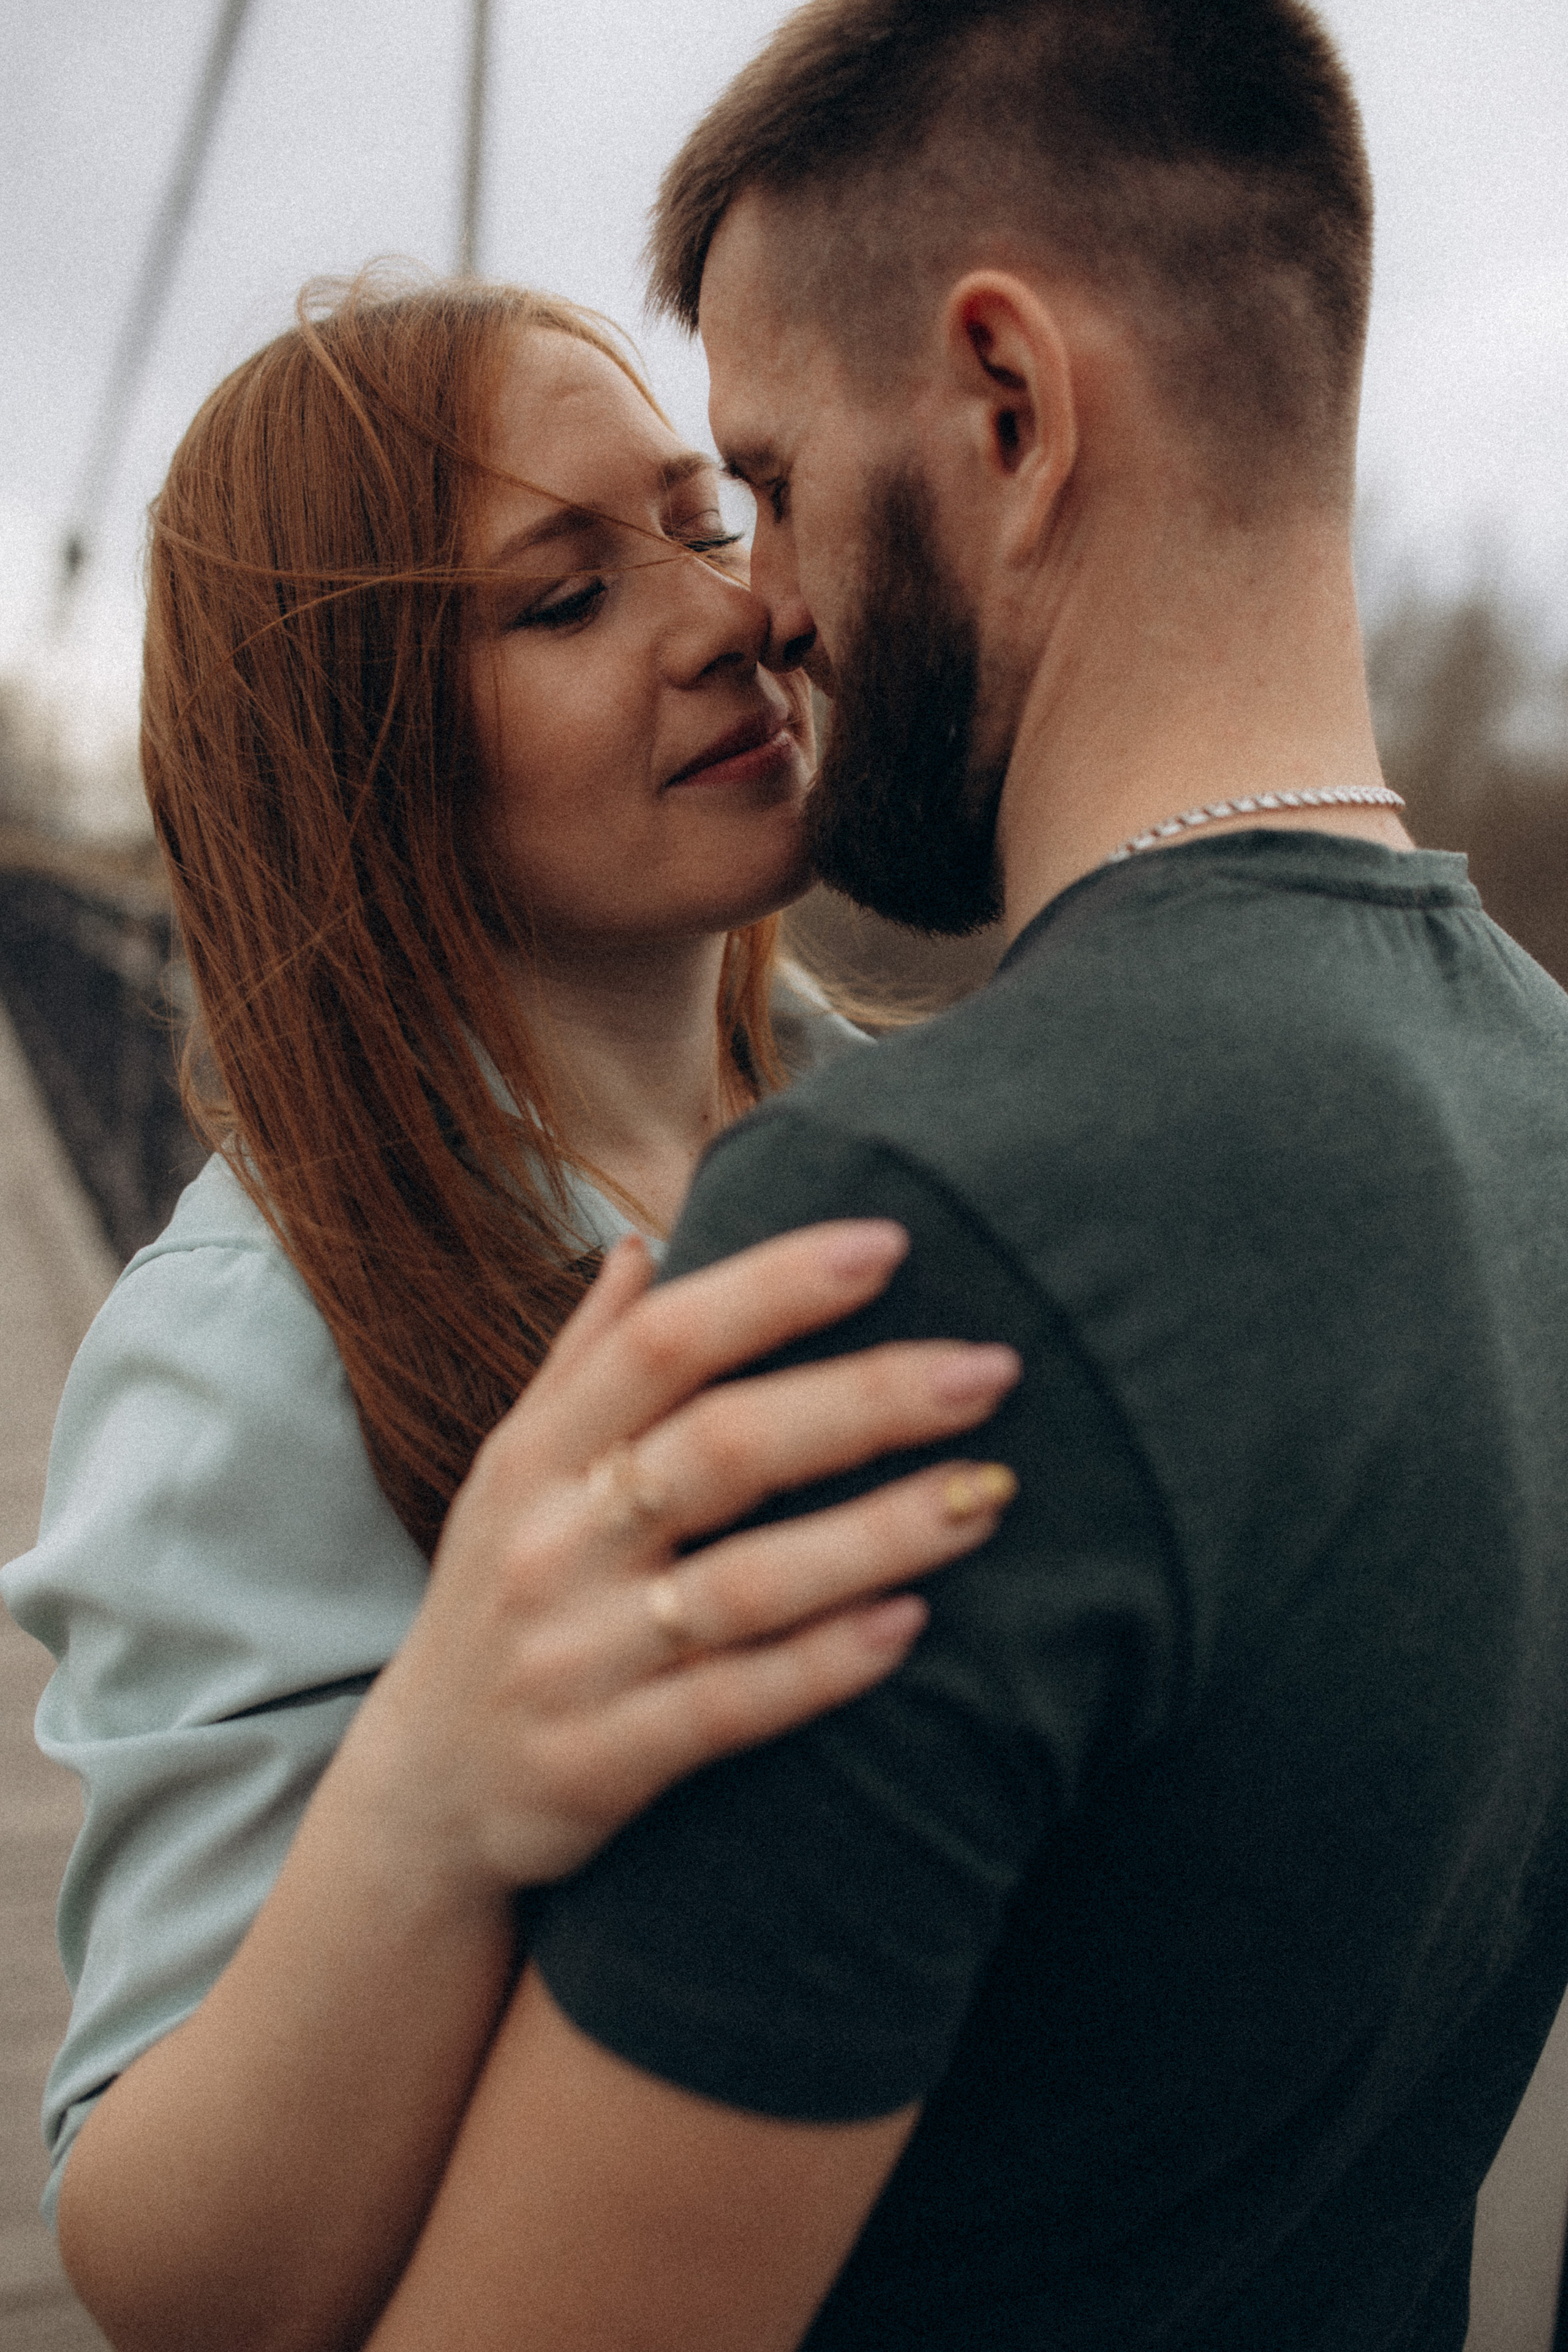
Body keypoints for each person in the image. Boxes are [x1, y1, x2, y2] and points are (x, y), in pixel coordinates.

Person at [235, 4, 1568, 2348]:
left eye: (759, 479)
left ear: (1008, 407)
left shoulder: (900, 1235)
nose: (761, 603)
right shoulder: (1541, 1095)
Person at [0, 273, 1027, 2352]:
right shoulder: (248, 1351)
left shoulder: (959, 1147)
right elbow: (170, 2273)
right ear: (356, 757)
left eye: (707, 520)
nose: (730, 617)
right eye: (562, 600)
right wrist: (438, 1785)